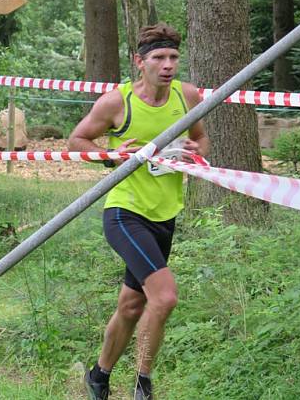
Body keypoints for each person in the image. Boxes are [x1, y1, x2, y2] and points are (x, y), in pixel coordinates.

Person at [68, 22, 209, 400]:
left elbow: (201, 138)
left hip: (166, 214)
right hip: (125, 212)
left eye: (173, 57)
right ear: (139, 62)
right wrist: (111, 156)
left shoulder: (188, 96)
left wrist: (194, 154)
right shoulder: (119, 102)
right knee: (164, 297)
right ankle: (142, 385)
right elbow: (77, 139)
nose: (167, 65)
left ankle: (98, 376)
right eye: (159, 58)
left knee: (132, 304)